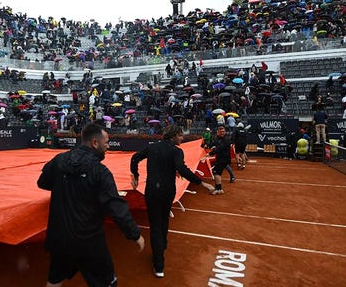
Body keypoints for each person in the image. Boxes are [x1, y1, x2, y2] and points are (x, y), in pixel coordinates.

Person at [38, 123, 145, 287]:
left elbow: (43, 182)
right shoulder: (100, 171)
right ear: (95, 143)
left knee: (55, 279)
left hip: (60, 237)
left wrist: (65, 185)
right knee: (107, 283)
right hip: (89, 240)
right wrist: (134, 234)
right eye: (106, 142)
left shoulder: (59, 160)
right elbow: (115, 206)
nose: (108, 146)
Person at [130, 125, 213, 278]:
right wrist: (202, 183)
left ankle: (159, 259)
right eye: (181, 136)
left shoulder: (152, 148)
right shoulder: (176, 151)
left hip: (152, 191)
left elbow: (135, 158)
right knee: (163, 221)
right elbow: (182, 169)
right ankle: (160, 256)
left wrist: (135, 175)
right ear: (173, 136)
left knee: (155, 224)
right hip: (167, 191)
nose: (182, 138)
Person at [203, 125, 232, 194]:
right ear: (218, 132)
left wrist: (210, 154)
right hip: (220, 158)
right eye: (221, 132)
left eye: (223, 131)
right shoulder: (218, 138)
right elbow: (213, 143)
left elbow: (219, 148)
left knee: (216, 173)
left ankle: (218, 189)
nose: (222, 133)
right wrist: (206, 145)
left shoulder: (226, 140)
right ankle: (219, 189)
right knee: (217, 173)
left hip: (224, 159)